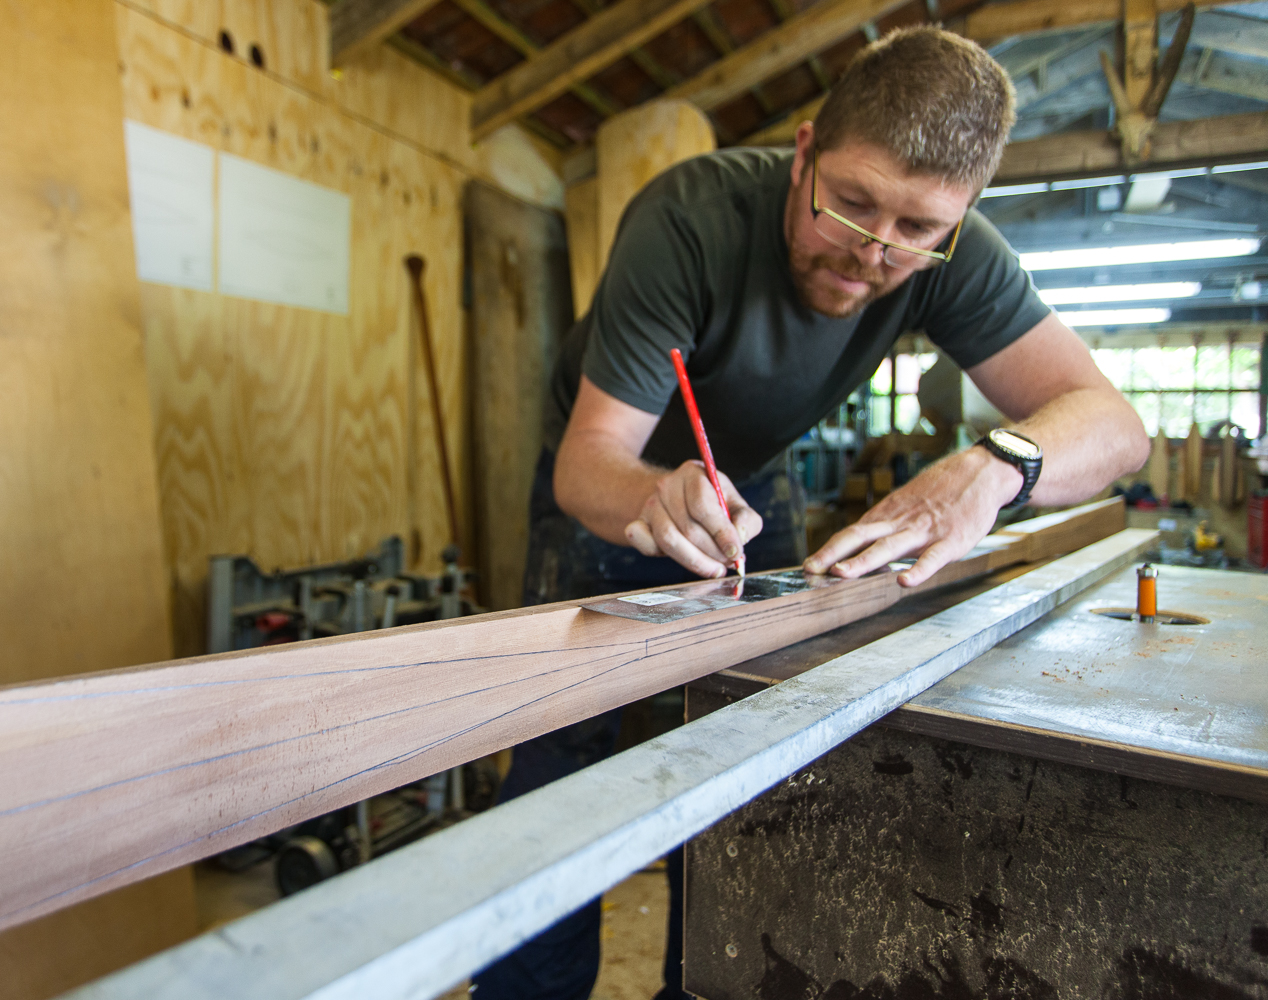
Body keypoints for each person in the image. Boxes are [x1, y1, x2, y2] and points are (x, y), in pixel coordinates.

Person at [471, 26, 1149, 1000]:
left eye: (918, 229)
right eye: (853, 204)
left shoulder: (951, 250)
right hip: (628, 479)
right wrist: (655, 497)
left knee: (759, 751)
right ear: (802, 154)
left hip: (756, 477)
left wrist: (998, 464)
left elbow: (1118, 427)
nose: (875, 254)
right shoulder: (690, 218)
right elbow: (591, 463)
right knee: (564, 766)